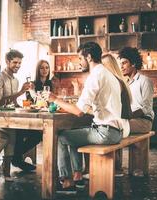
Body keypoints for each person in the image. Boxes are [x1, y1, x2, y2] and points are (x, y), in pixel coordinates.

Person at [46, 42, 130, 192]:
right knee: (74, 133)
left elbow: (79, 111)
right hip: (116, 131)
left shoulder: (95, 75)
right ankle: (77, 176)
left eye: (80, 58)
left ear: (89, 57)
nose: (79, 62)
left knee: (61, 137)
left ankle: (66, 181)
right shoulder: (108, 74)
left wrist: (55, 99)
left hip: (105, 133)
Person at [0, 49, 42, 173]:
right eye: (15, 62)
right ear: (7, 62)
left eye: (19, 63)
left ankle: (15, 157)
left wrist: (25, 106)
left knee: (37, 134)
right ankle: (16, 159)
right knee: (19, 132)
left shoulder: (16, 80)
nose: (18, 65)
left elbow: (12, 103)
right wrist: (20, 92)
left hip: (11, 118)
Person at [118, 47, 154, 133]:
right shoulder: (125, 84)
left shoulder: (145, 81)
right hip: (130, 120)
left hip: (144, 121)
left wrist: (129, 115)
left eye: (124, 63)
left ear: (133, 63)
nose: (121, 67)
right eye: (120, 64)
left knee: (117, 127)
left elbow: (147, 108)